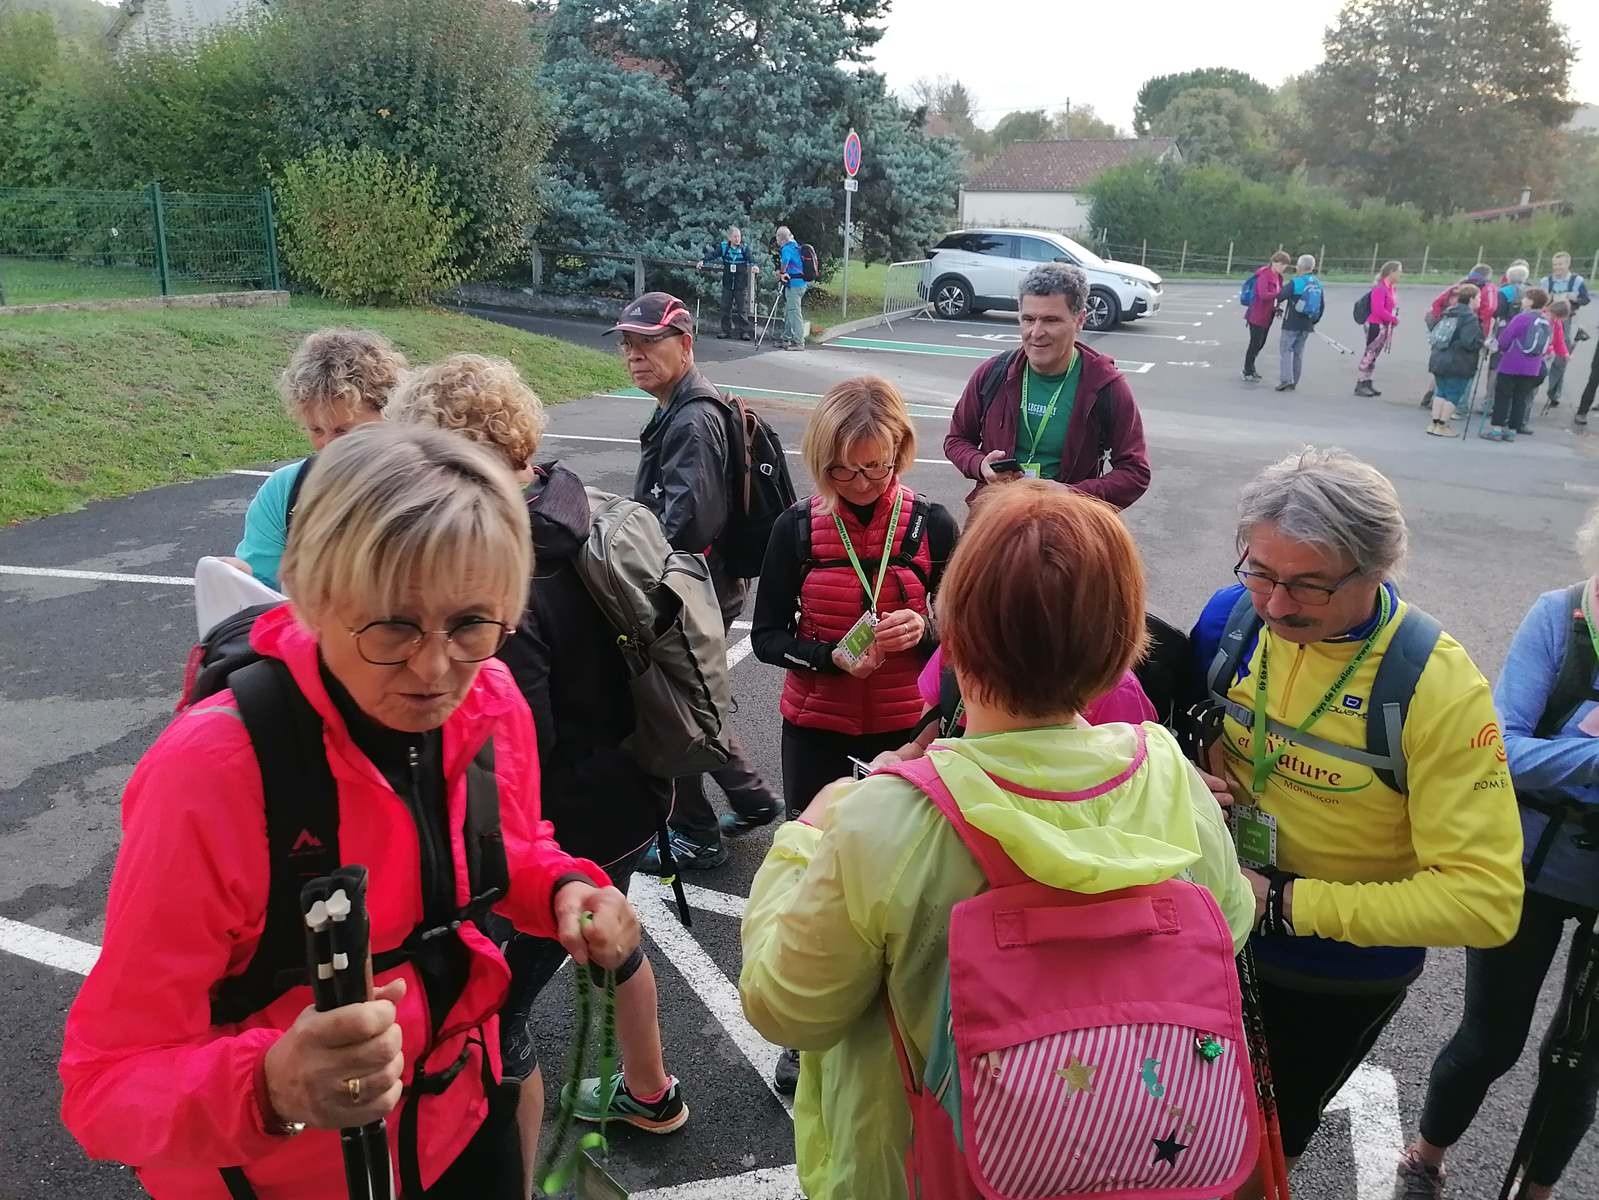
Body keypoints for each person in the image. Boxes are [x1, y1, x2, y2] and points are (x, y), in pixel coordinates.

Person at [60, 424, 638, 1199]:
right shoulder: (213, 775)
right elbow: (102, 1084)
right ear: (310, 595)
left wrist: (566, 888)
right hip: (287, 1175)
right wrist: (273, 1085)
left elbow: (508, 847)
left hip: (463, 1120)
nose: (435, 671)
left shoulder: (490, 697)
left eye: (471, 623)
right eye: (392, 626)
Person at [739, 481, 1255, 1200]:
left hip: (916, 1168)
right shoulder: (1170, 780)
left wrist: (803, 838)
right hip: (1124, 1154)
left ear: (954, 634)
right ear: (1120, 648)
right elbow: (1225, 931)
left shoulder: (883, 822)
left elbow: (787, 1007)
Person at [385, 356, 689, 1188]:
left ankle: (516, 1178)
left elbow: (512, 754)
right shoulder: (576, 505)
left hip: (553, 829)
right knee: (609, 927)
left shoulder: (498, 577)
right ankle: (651, 1089)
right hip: (637, 786)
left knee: (500, 1016)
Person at [1189, 448, 1523, 1194]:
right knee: (1182, 1116)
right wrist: (1189, 770)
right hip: (1219, 928)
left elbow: (1486, 901)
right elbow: (1188, 725)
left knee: (1266, 1149)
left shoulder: (1435, 687)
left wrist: (1284, 903)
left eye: (1307, 584)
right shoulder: (1230, 618)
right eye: (1260, 570)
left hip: (1332, 974)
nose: (1275, 605)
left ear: (1376, 570)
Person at [749, 375, 959, 1093]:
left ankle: (896, 1010)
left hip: (909, 730)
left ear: (901, 450)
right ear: (819, 461)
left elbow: (961, 636)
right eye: (841, 470)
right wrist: (823, 657)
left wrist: (926, 627)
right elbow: (768, 633)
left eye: (876, 467)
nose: (861, 483)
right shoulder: (792, 528)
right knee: (814, 868)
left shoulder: (932, 524)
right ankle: (805, 1031)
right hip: (815, 725)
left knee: (904, 881)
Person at [1396, 506, 1599, 1200]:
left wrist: (1569, 748)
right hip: (1528, 867)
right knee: (1490, 1040)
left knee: (1577, 1065)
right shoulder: (1559, 616)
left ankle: (1533, 1192)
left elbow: (1538, 752)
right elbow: (1504, 749)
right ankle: (1424, 1158)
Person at [608, 291, 781, 871]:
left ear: (685, 343)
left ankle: (695, 834)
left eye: (647, 342)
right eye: (628, 344)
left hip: (689, 586)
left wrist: (633, 556)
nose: (634, 354)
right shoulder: (681, 406)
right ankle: (751, 797)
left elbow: (689, 520)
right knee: (690, 700)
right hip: (703, 582)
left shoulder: (691, 419)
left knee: (669, 712)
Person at [943, 262, 1151, 510]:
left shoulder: (1106, 386)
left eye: (1051, 320)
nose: (1036, 332)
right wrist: (980, 465)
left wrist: (1072, 494)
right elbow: (956, 440)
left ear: (1080, 320)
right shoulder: (992, 373)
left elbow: (1135, 472)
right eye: (1028, 319)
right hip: (995, 516)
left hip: (1069, 522)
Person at [232, 329, 407, 591]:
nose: (327, 446)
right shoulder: (285, 492)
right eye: (316, 430)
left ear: (389, 415)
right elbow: (260, 597)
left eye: (343, 431)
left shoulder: (423, 490)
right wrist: (235, 583)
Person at [1419, 265, 1497, 410]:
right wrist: (1482, 333)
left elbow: (1437, 303)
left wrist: (1438, 321)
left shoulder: (1457, 288)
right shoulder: (1486, 291)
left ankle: (1432, 401)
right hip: (1465, 345)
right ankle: (1456, 409)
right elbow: (1490, 310)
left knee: (1442, 370)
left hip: (1444, 337)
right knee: (1461, 376)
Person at [1482, 286, 1554, 443]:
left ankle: (1497, 429)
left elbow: (1504, 341)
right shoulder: (1545, 321)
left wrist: (1492, 345)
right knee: (1520, 398)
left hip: (1511, 363)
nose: (1523, 300)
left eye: (1526, 298)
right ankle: (1512, 431)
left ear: (1531, 301)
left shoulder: (1521, 318)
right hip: (1532, 366)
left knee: (1503, 396)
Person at [1424, 283, 1486, 437]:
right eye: (1478, 297)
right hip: (1458, 361)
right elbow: (1468, 342)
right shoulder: (1470, 318)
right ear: (1471, 299)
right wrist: (1482, 342)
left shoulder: (1448, 313)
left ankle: (1434, 423)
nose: (1480, 301)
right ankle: (1443, 425)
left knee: (1441, 392)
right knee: (1454, 393)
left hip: (1439, 357)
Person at [1276, 253, 1324, 393]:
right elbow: (1321, 306)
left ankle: (1286, 379)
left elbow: (1280, 295)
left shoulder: (1296, 282)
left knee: (1285, 350)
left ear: (1300, 267)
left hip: (1291, 322)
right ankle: (1294, 381)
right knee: (1298, 353)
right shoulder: (1317, 283)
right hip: (1306, 324)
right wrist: (1314, 321)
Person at [1354, 260, 1402, 398]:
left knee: (1374, 354)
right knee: (1370, 353)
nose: (1400, 274)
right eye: (1399, 271)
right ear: (1391, 272)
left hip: (1384, 325)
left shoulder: (1391, 288)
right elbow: (1377, 309)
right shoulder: (1380, 288)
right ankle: (1360, 382)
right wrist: (1393, 319)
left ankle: (1368, 381)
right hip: (1375, 324)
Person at [1243, 251, 1292, 382]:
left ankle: (1251, 368)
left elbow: (1276, 296)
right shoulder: (1264, 275)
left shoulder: (1279, 277)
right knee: (1255, 342)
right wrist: (1279, 294)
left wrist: (1277, 307)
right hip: (1257, 313)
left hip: (1268, 314)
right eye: (1282, 264)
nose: (1284, 268)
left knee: (1261, 342)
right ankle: (1247, 369)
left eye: (1285, 265)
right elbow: (1263, 294)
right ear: (1275, 262)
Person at [703, 225, 758, 341]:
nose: (737, 239)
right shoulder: (724, 247)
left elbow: (751, 259)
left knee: (742, 308)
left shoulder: (744, 248)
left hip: (740, 283)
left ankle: (744, 332)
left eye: (739, 236)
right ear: (730, 237)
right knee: (725, 307)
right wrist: (702, 261)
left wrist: (755, 266)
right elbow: (713, 255)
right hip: (728, 282)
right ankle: (725, 330)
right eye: (735, 237)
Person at [775, 226, 808, 350]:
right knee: (789, 311)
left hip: (795, 284)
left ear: (780, 238)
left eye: (777, 236)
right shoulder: (795, 244)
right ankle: (786, 339)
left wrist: (781, 273)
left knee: (794, 312)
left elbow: (785, 261)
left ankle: (799, 342)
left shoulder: (787, 248)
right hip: (799, 283)